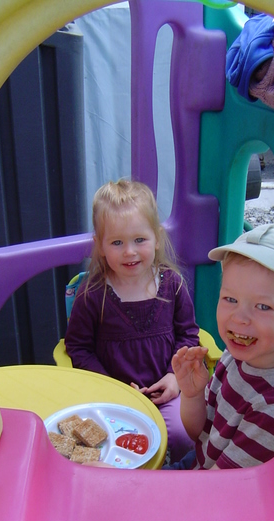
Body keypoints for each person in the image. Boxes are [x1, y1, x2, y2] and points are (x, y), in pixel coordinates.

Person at [169, 223, 274, 470]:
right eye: (230, 299)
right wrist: (192, 394)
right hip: (204, 466)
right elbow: (200, 434)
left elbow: (222, 488)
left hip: (220, 487)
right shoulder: (240, 353)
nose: (240, 318)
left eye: (263, 306)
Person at [65, 179, 200, 462]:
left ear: (157, 238)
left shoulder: (173, 285)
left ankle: (178, 481)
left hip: (168, 391)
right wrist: (111, 387)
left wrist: (174, 378)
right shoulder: (92, 294)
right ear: (100, 246)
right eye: (117, 242)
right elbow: (78, 347)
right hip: (115, 399)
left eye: (140, 239)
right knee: (115, 449)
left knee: (183, 436)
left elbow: (188, 335)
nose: (130, 251)